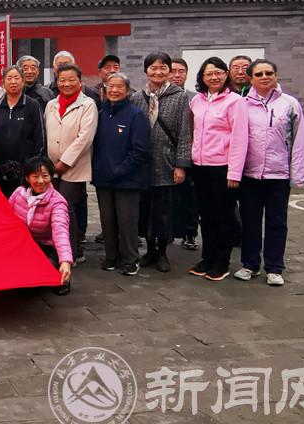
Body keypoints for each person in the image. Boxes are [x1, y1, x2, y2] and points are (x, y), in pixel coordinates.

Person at [236, 59, 304, 286]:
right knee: (250, 222)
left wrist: (298, 173)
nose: (264, 77)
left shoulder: (289, 104)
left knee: (277, 223)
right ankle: (249, 264)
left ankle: (275, 268)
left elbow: (300, 140)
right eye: (259, 74)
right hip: (250, 175)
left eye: (269, 73)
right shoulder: (242, 105)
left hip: (279, 175)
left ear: (276, 75)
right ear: (250, 79)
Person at [187, 57, 249, 281]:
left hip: (223, 168)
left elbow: (240, 139)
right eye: (208, 74)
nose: (213, 77)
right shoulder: (197, 101)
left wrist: (234, 172)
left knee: (224, 216)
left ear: (226, 74)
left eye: (218, 72)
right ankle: (208, 258)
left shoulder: (235, 101)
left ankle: (222, 261)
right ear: (202, 77)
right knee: (206, 216)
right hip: (200, 167)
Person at [131, 52, 193, 273]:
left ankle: (163, 252)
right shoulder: (137, 97)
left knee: (164, 210)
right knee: (145, 209)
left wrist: (181, 165)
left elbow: (185, 133)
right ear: (146, 70)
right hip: (143, 164)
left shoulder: (179, 97)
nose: (158, 72)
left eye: (162, 68)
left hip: (167, 162)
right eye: (153, 68)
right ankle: (150, 250)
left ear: (169, 71)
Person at [92, 73, 150, 275]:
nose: (114, 90)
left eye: (119, 87)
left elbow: (139, 151)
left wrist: (120, 171)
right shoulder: (101, 113)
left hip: (128, 180)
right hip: (103, 179)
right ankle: (111, 256)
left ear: (127, 90)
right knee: (107, 221)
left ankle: (131, 259)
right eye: (111, 86)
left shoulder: (136, 115)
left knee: (127, 222)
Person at [45, 64, 98, 265]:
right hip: (52, 167)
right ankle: (60, 248)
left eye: (71, 80)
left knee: (66, 208)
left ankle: (73, 253)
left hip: (74, 167)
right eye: (62, 80)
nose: (66, 84)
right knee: (54, 209)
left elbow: (85, 137)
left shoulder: (88, 105)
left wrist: (65, 161)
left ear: (79, 81)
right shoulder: (51, 105)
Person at [8, 156, 73, 295]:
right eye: (35, 176)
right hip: (25, 244)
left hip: (49, 247)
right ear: (27, 178)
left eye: (45, 176)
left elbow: (60, 232)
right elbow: (5, 217)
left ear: (51, 176)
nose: (41, 181)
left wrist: (65, 261)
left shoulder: (57, 202)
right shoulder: (18, 193)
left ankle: (61, 277)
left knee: (42, 279)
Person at [0, 66, 44, 195]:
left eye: (16, 78)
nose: (13, 82)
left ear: (23, 81)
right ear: (3, 82)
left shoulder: (33, 105)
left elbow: (39, 138)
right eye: (9, 78)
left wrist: (33, 166)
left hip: (25, 170)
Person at [168, 57, 198, 250]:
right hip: (166, 154)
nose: (177, 75)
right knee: (168, 197)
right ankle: (169, 231)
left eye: (181, 71)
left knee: (190, 197)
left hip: (191, 154)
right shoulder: (159, 96)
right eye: (173, 71)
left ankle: (190, 233)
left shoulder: (195, 98)